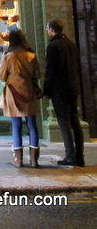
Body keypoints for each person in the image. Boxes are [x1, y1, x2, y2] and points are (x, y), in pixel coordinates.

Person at [44, 18, 84, 167]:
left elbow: (51, 71)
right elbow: (79, 67)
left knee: (64, 121)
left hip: (60, 89)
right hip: (73, 87)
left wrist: (47, 90)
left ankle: (70, 156)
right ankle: (79, 156)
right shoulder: (71, 44)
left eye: (48, 28)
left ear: (52, 29)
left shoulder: (53, 46)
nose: (47, 31)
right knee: (75, 120)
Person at [0, 30, 41, 168]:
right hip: (29, 91)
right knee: (32, 125)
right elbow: (37, 75)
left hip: (13, 92)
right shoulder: (31, 55)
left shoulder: (8, 56)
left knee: (16, 125)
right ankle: (34, 160)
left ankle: (18, 159)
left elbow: (2, 76)